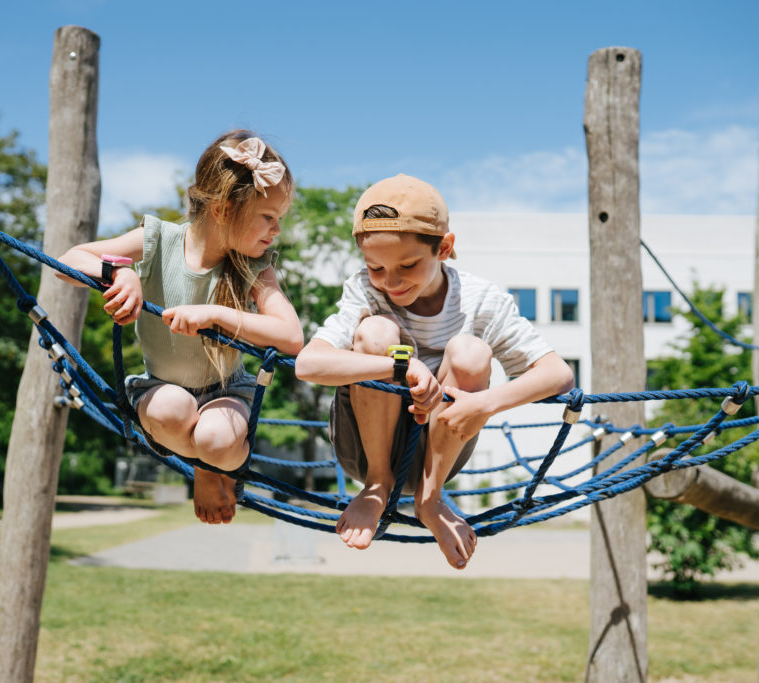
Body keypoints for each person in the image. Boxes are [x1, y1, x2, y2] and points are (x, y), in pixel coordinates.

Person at [295, 174, 574, 570]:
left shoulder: (480, 300)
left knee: (471, 352)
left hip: (440, 451)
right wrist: (401, 366)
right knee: (376, 331)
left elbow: (558, 374)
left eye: (408, 264)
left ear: (443, 248)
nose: (390, 282)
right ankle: (377, 487)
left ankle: (430, 498)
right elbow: (308, 363)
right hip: (366, 449)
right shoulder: (365, 291)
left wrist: (485, 403)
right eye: (375, 267)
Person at [56, 130, 303, 525]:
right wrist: (120, 273)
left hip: (226, 394)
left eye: (280, 219)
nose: (277, 231)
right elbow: (68, 260)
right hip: (160, 391)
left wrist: (217, 315)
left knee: (215, 439)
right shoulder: (159, 240)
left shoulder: (252, 266)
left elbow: (291, 337)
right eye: (268, 217)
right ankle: (204, 468)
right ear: (223, 209)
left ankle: (213, 464)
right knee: (173, 409)